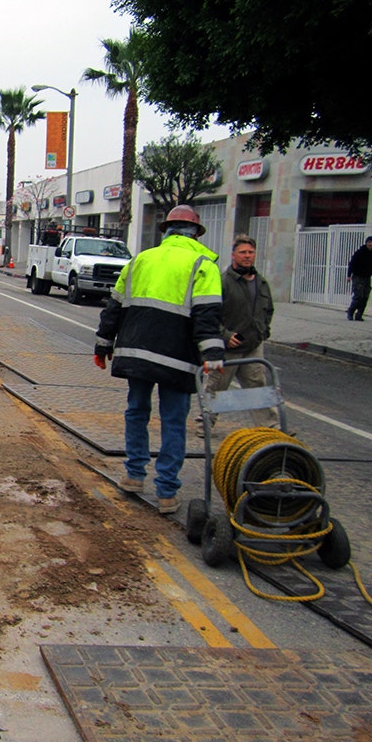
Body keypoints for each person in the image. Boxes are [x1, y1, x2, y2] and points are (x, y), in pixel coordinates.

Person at [94, 205, 224, 515]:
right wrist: (212, 354)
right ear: (195, 233)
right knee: (174, 421)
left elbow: (114, 305)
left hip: (137, 353)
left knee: (137, 411)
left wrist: (102, 345)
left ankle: (134, 475)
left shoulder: (141, 260)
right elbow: (207, 316)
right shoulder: (203, 264)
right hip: (177, 358)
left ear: (166, 230)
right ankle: (166, 492)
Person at [198, 235, 277, 435]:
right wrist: (225, 336)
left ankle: (270, 426)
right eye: (243, 252)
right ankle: (205, 423)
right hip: (228, 347)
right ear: (233, 255)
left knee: (257, 384)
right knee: (217, 386)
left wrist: (262, 332)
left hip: (253, 344)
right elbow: (211, 314)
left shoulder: (261, 282)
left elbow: (268, 310)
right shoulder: (222, 282)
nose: (247, 256)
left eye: (250, 252)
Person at [346, 236, 372, 321]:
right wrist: (349, 276)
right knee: (358, 296)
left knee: (365, 297)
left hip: (367, 277)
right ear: (366, 242)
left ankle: (359, 315)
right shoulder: (359, 252)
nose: (370, 244)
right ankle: (350, 311)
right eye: (369, 242)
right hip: (358, 277)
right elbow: (352, 264)